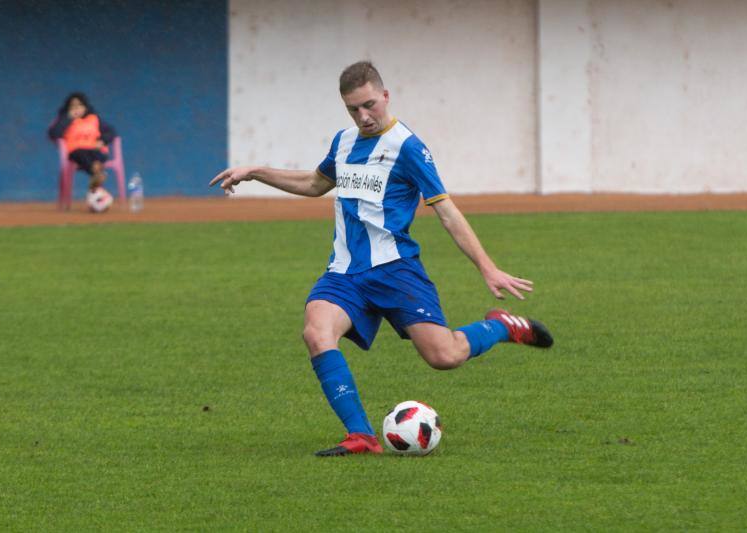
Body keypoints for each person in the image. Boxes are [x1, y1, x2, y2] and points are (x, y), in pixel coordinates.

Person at [210, 61, 553, 457]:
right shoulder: (343, 142)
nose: (363, 116)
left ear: (385, 96)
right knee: (316, 333)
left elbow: (447, 211)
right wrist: (255, 172)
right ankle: (361, 436)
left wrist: (487, 267)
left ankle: (499, 327)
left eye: (369, 105)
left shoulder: (408, 148)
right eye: (353, 109)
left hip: (396, 271)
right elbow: (313, 184)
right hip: (345, 273)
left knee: (444, 356)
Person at [48, 92, 116, 192]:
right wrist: (68, 118)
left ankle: (96, 176)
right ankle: (96, 172)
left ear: (85, 107)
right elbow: (54, 134)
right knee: (82, 153)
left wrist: (102, 141)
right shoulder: (64, 120)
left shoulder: (94, 119)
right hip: (76, 151)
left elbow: (111, 132)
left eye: (80, 105)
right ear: (68, 109)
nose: (76, 109)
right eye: (73, 106)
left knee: (98, 154)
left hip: (95, 149)